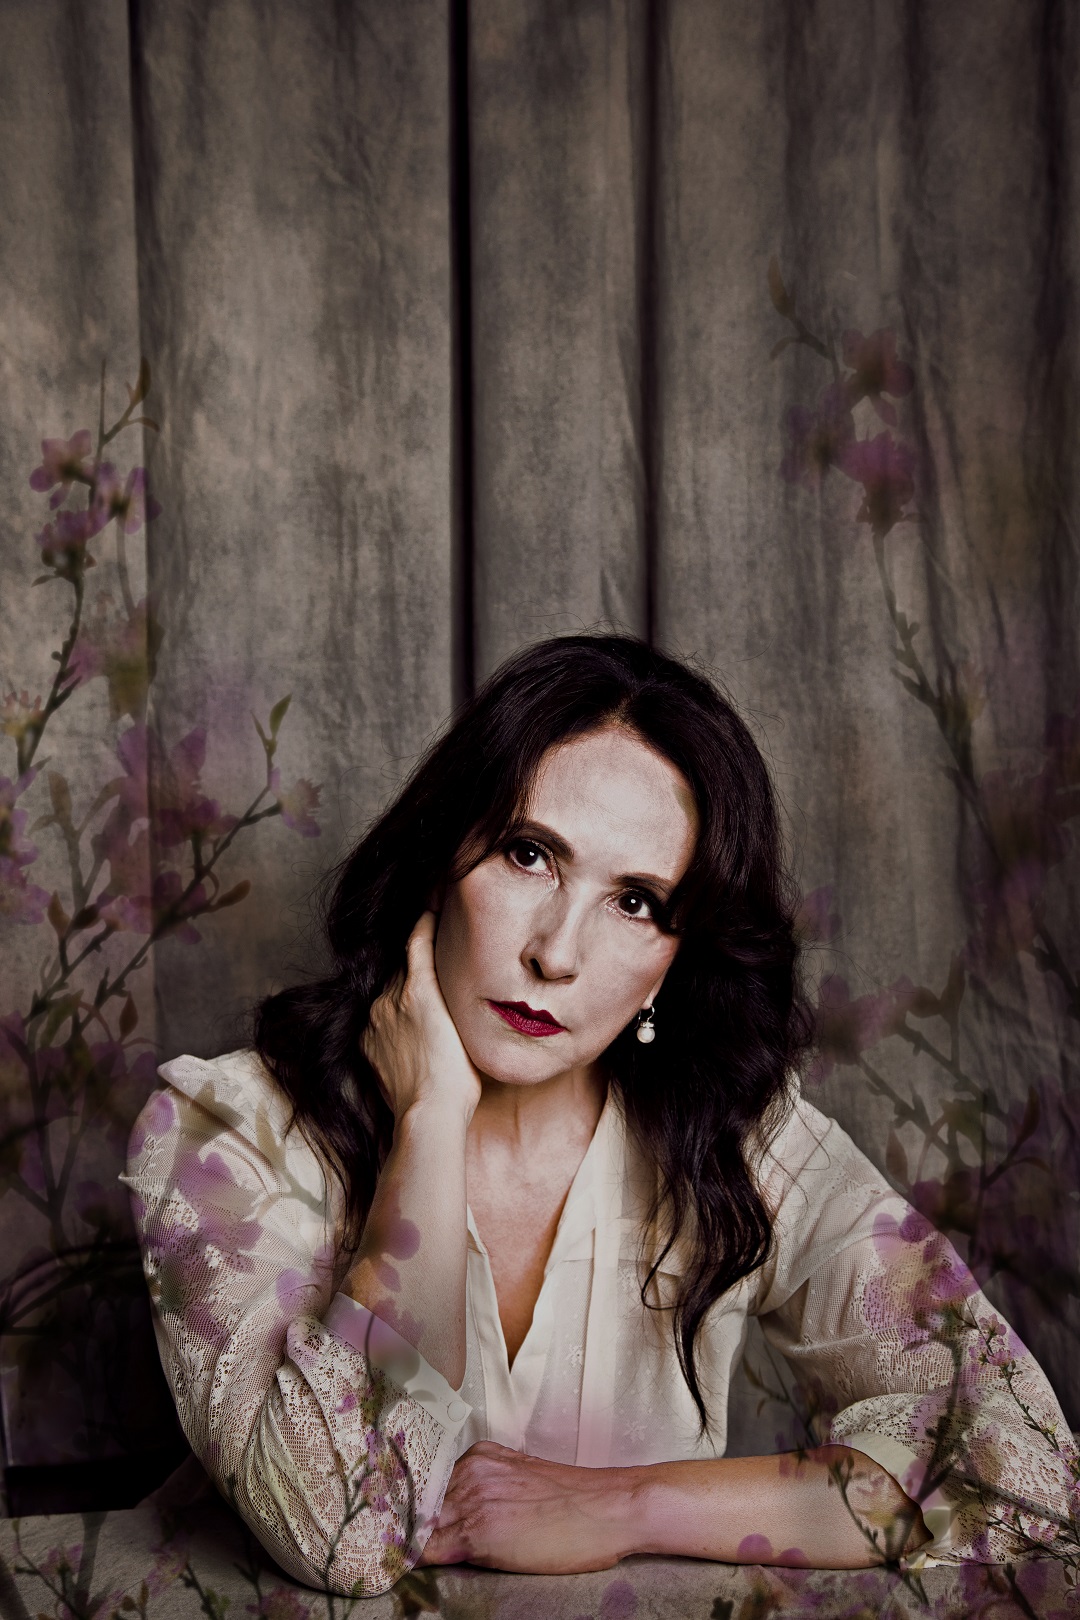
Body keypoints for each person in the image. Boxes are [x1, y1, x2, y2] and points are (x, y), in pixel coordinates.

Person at [125, 635, 1073, 1597]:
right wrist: (431, 1120)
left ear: (675, 960)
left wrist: (624, 1505)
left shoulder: (743, 1143)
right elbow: (342, 1534)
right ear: (440, 858)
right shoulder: (221, 1134)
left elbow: (1023, 1467)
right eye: (528, 854)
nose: (557, 954)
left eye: (636, 901)